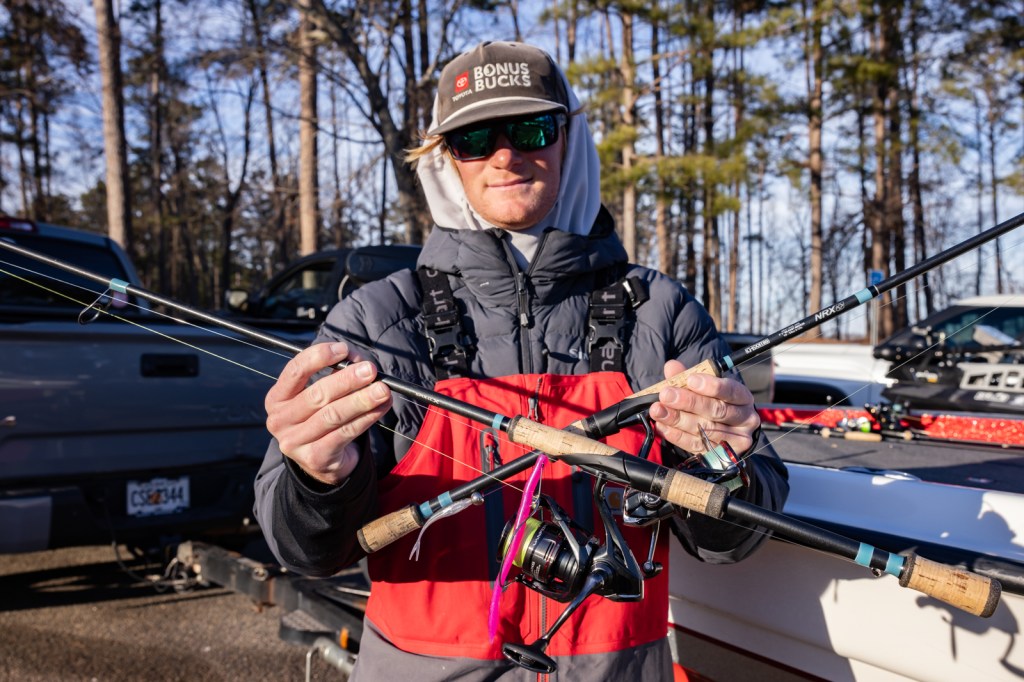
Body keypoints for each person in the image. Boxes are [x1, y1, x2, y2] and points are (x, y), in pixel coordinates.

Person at [254, 40, 788, 680]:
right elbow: (304, 551)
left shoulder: (663, 312)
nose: (505, 155)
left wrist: (723, 462)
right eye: (474, 138)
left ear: (569, 138)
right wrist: (316, 480)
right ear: (446, 158)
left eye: (531, 128)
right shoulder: (372, 322)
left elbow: (735, 538)